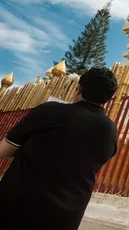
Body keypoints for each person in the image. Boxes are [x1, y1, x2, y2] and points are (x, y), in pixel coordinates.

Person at [0, 67, 118, 230]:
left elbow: (4, 150)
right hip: (66, 219)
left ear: (79, 88)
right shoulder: (111, 130)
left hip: (18, 211)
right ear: (109, 98)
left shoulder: (50, 110)